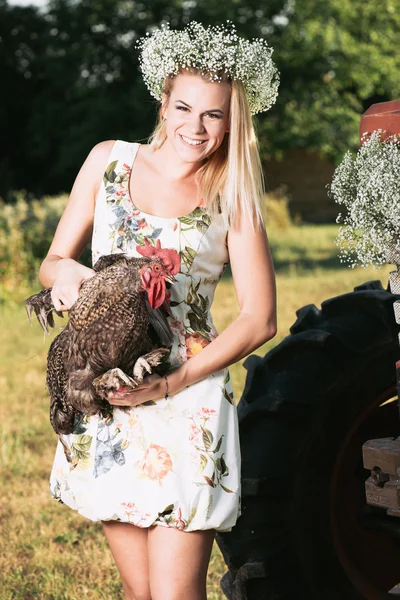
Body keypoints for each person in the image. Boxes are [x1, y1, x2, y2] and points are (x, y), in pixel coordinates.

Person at [39, 21, 278, 600]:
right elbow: (52, 262)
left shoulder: (232, 193)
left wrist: (170, 384)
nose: (195, 127)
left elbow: (260, 318)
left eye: (214, 115)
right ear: (163, 100)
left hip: (186, 397)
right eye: (184, 107)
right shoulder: (108, 164)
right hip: (109, 392)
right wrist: (65, 274)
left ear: (232, 119)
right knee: (139, 593)